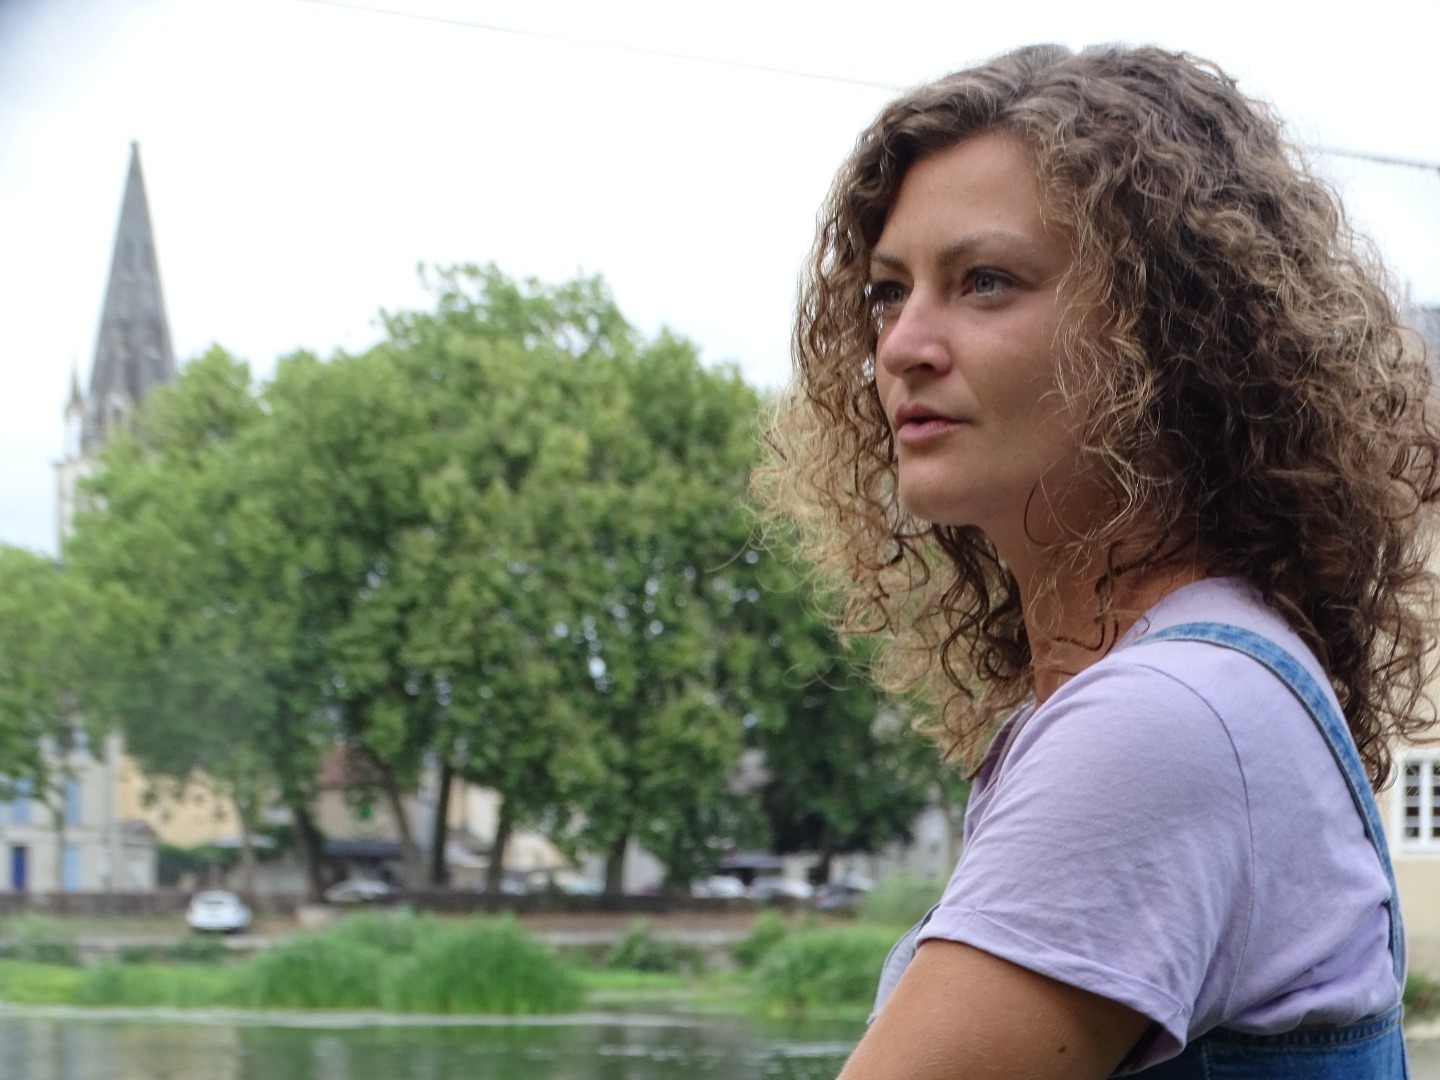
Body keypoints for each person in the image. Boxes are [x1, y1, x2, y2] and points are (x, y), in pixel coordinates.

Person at [757, 44, 1440, 1078]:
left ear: (1166, 333)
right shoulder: (1194, 679)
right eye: (890, 291)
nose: (902, 345)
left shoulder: (1166, 718)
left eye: (986, 283)